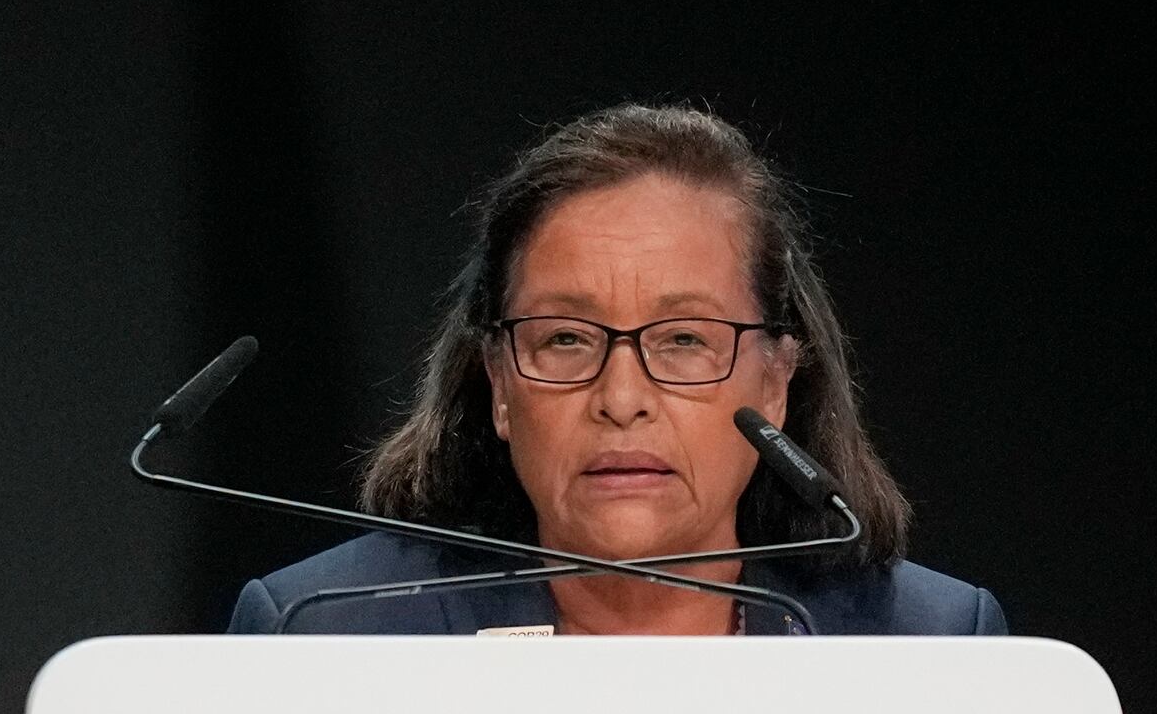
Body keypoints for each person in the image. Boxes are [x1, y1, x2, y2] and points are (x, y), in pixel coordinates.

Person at [228, 103, 1006, 636]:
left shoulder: (927, 642)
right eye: (566, 339)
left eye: (684, 340)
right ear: (499, 383)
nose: (623, 398)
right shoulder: (325, 629)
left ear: (775, 380)